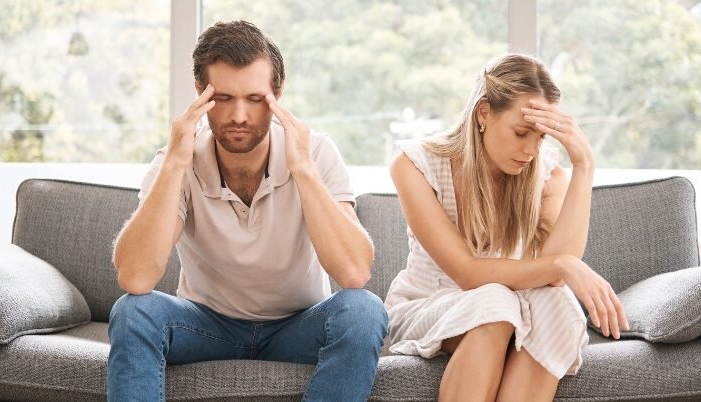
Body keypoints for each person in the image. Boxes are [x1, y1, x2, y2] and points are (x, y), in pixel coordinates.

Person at [107, 20, 387, 402]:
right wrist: (174, 162)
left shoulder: (315, 152)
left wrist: (303, 169)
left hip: (297, 327)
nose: (239, 115)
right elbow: (136, 278)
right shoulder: (176, 160)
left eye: (255, 99)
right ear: (200, 93)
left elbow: (354, 272)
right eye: (224, 98)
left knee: (363, 311)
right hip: (205, 326)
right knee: (133, 312)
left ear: (277, 95)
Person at [385, 53, 629, 401]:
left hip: (511, 307)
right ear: (484, 113)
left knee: (558, 304)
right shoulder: (415, 164)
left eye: (541, 137)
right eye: (521, 132)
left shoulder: (547, 175)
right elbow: (468, 273)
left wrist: (584, 165)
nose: (531, 150)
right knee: (496, 302)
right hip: (426, 307)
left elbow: (554, 279)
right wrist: (563, 264)